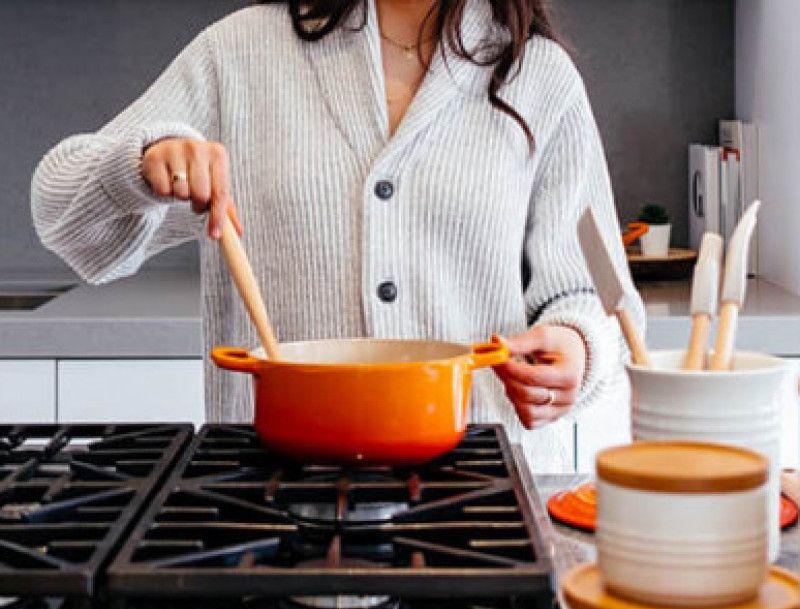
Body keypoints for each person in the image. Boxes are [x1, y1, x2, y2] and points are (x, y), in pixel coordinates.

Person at [31, 0, 643, 471]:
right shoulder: (239, 55)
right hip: (267, 501)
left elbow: (593, 300)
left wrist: (576, 348)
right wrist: (141, 164)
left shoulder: (540, 77)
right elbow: (62, 215)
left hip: (481, 501)